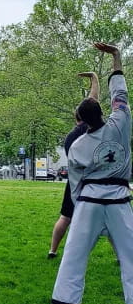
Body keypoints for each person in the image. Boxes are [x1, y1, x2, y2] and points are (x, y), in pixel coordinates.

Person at [49, 43, 133, 304]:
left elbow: (76, 183)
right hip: (120, 201)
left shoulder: (78, 146)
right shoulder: (121, 121)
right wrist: (116, 56)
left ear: (81, 121)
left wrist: (80, 205)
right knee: (131, 254)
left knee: (74, 254)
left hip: (89, 203)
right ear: (100, 111)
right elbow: (120, 92)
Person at [47, 72, 98, 258]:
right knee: (107, 218)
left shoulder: (69, 137)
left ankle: (52, 250)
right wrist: (94, 79)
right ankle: (120, 255)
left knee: (65, 217)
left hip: (74, 182)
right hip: (93, 182)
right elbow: (93, 100)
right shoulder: (89, 129)